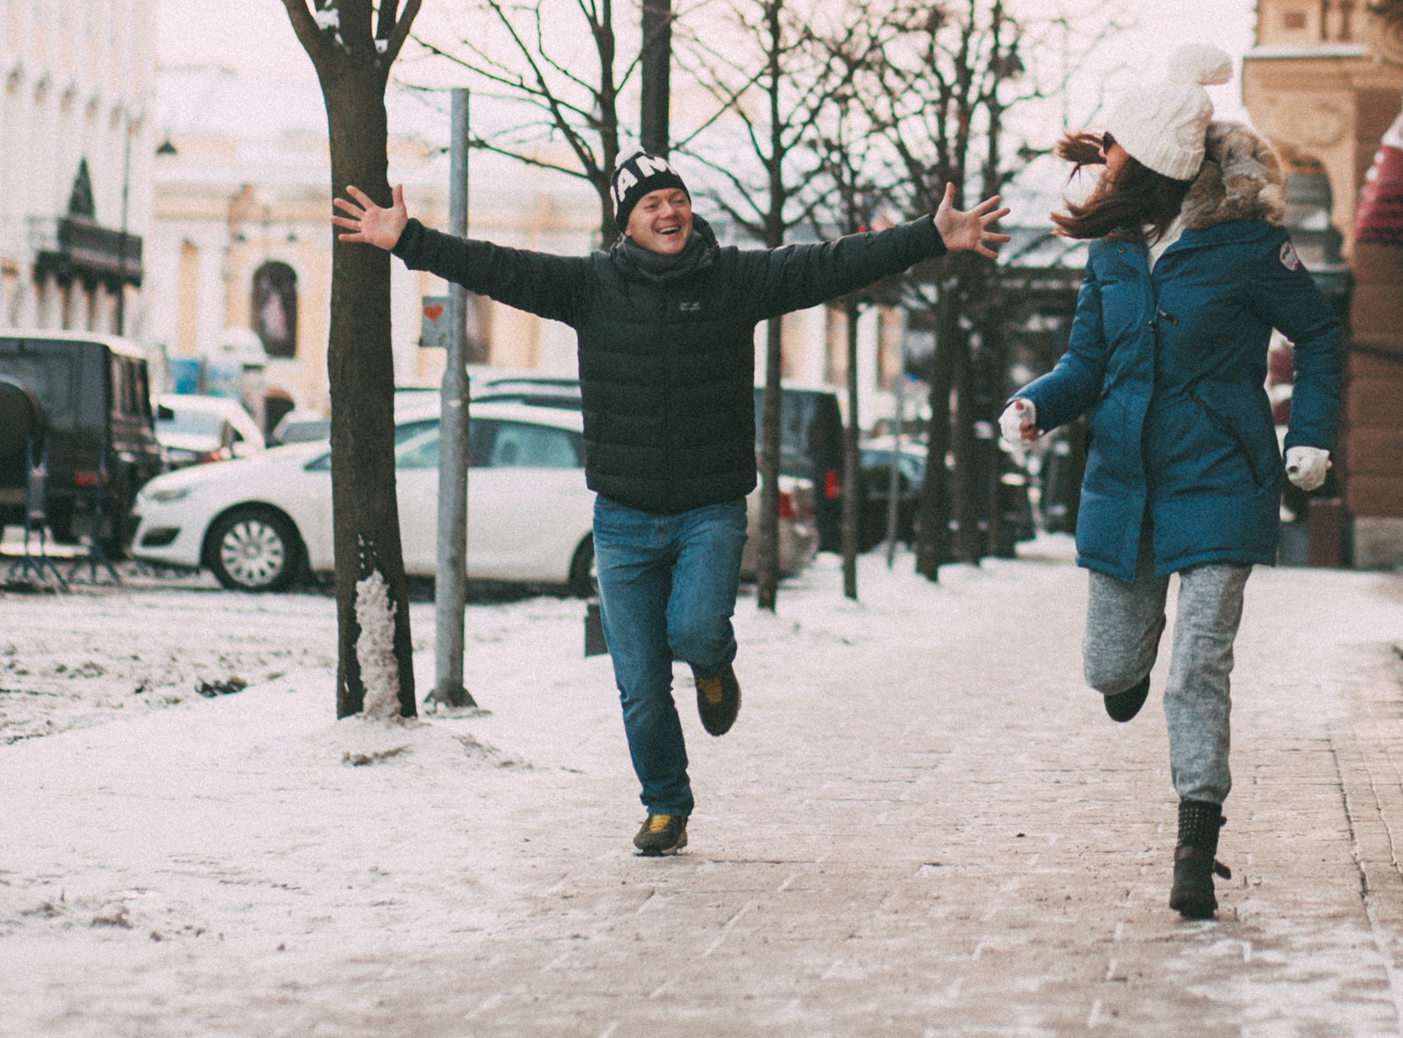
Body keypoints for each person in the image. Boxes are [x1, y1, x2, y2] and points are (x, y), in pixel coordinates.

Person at [333, 151, 1007, 855]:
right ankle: (665, 804)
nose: (669, 211)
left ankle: (715, 667)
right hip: (622, 518)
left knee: (694, 632)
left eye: (677, 198)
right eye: (652, 203)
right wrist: (410, 240)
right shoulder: (591, 285)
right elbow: (503, 267)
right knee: (641, 685)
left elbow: (829, 263)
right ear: (627, 220)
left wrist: (930, 235)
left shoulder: (735, 278)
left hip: (708, 508)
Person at [999, 45, 1342, 919]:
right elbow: (1086, 360)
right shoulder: (1113, 251)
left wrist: (1308, 437)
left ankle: (1198, 834)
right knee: (1110, 671)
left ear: (1151, 160)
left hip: (1223, 476)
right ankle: (1127, 668)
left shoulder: (1251, 247)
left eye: (1115, 148)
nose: (1102, 161)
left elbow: (1323, 335)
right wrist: (1039, 402)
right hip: (1125, 483)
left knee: (1199, 665)